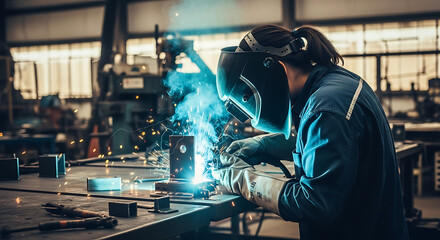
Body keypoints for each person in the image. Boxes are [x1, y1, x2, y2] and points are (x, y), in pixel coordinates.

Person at [212, 24, 408, 240]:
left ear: (274, 68)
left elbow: (315, 203)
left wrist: (244, 180)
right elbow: (326, 144)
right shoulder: (334, 84)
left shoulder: (326, 109)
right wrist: (265, 145)